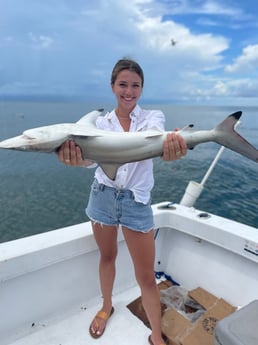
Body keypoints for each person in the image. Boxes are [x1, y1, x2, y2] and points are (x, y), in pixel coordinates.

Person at [58, 58, 187, 345]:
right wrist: (77, 160)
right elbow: (92, 163)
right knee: (107, 257)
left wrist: (170, 146)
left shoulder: (154, 118)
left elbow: (154, 140)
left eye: (135, 85)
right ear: (112, 86)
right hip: (102, 198)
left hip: (136, 203)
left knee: (146, 276)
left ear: (142, 88)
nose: (129, 91)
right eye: (122, 85)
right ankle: (106, 306)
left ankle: (155, 333)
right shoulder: (100, 124)